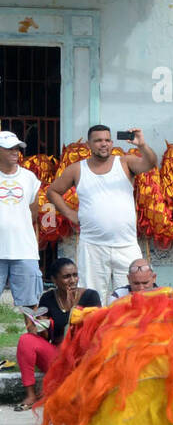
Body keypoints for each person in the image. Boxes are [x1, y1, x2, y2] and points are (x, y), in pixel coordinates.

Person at [46, 126, 157, 300]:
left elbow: (150, 163)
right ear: (89, 144)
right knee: (91, 298)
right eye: (98, 140)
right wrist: (69, 213)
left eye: (107, 140)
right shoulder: (77, 169)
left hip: (126, 244)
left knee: (132, 298)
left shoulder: (125, 163)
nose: (103, 144)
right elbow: (52, 191)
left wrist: (142, 144)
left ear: (112, 142)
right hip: (92, 246)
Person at [16, 258, 101, 412]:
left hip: (82, 358)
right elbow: (45, 337)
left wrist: (74, 310)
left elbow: (96, 329)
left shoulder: (90, 296)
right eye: (67, 276)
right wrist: (38, 327)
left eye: (75, 275)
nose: (73, 280)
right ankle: (30, 395)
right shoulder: (48, 298)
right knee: (26, 340)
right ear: (54, 280)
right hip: (56, 358)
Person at [0, 130, 43, 311]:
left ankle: (32, 339)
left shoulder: (29, 177)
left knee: (31, 305)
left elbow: (34, 210)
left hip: (24, 250)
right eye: (9, 149)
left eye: (17, 148)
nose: (15, 152)